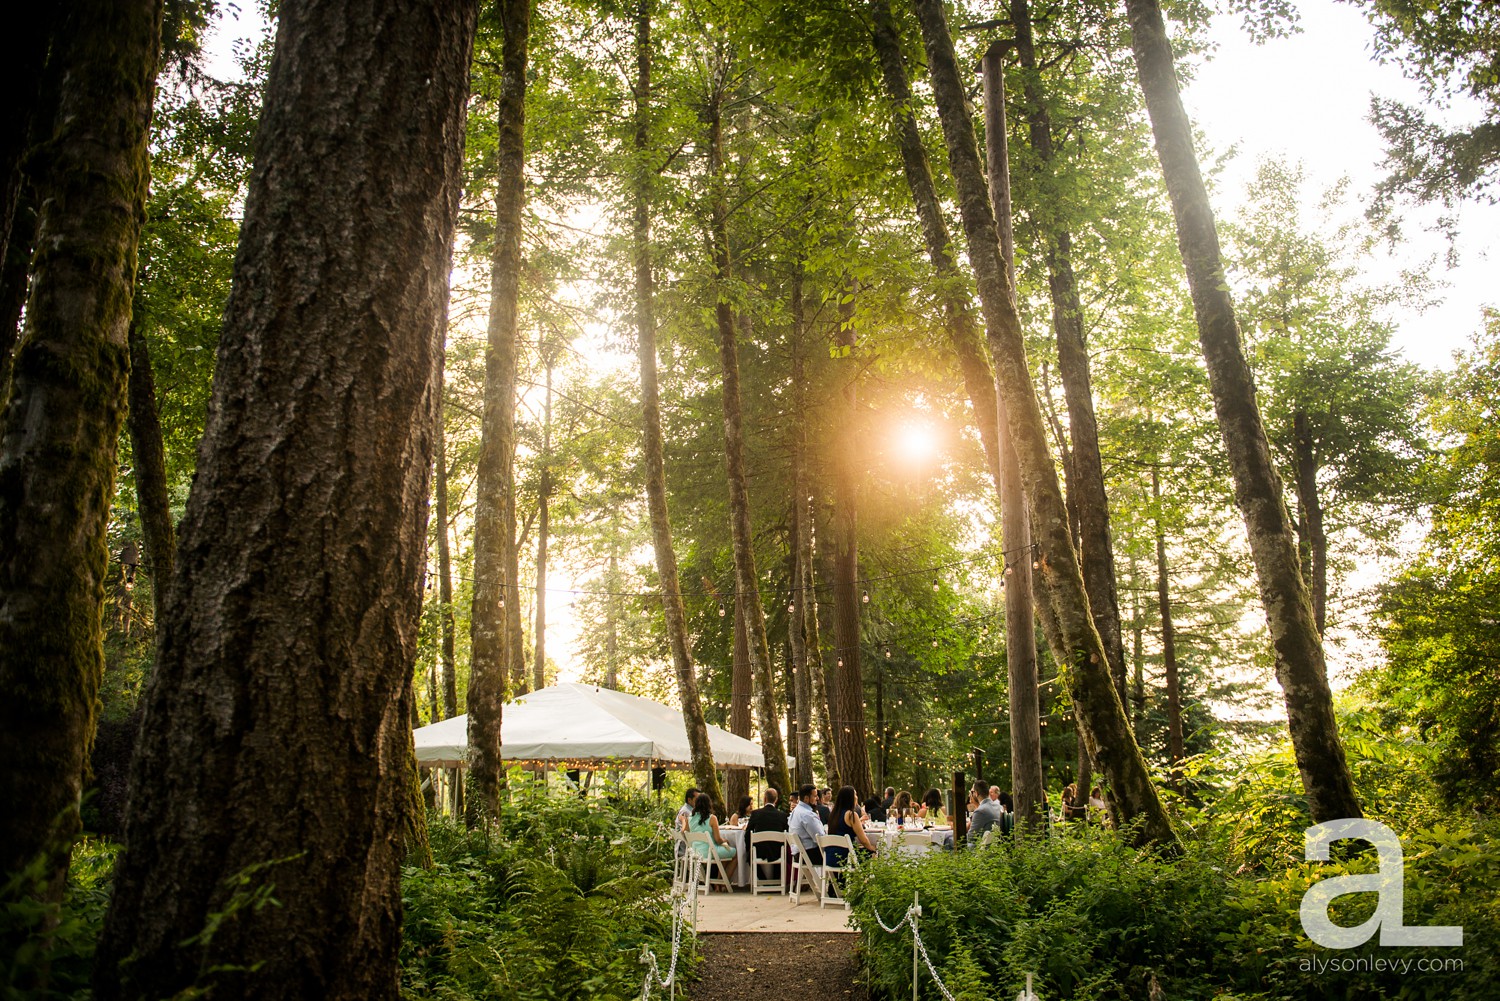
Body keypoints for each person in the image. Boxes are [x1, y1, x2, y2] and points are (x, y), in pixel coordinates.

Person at [825, 785, 878, 868]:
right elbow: (863, 840)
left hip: (830, 857)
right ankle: (866, 879)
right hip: (847, 857)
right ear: (850, 798)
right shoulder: (851, 815)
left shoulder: (833, 814)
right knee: (874, 851)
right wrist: (873, 849)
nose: (856, 797)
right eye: (855, 795)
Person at [686, 792, 736, 875]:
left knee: (724, 853)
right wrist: (725, 841)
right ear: (709, 804)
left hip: (695, 852)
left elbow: (687, 833)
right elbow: (718, 840)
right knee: (734, 854)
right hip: (709, 852)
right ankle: (722, 883)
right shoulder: (712, 818)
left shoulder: (690, 818)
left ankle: (718, 883)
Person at [745, 787, 789, 868]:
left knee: (749, 856)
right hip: (778, 851)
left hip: (759, 851)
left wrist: (748, 848)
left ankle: (762, 879)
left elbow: (747, 834)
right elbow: (787, 833)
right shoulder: (782, 815)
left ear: (764, 799)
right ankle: (776, 878)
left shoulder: (756, 813)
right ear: (776, 800)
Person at [788, 783, 826, 865]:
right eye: (815, 796)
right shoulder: (807, 814)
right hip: (809, 855)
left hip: (798, 854)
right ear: (806, 798)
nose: (818, 798)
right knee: (840, 856)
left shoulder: (796, 811)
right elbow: (820, 839)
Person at [968, 778, 1003, 844]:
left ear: (976, 793)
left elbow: (970, 838)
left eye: (972, 792)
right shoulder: (998, 807)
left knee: (950, 840)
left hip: (982, 848)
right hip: (995, 845)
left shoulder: (980, 811)